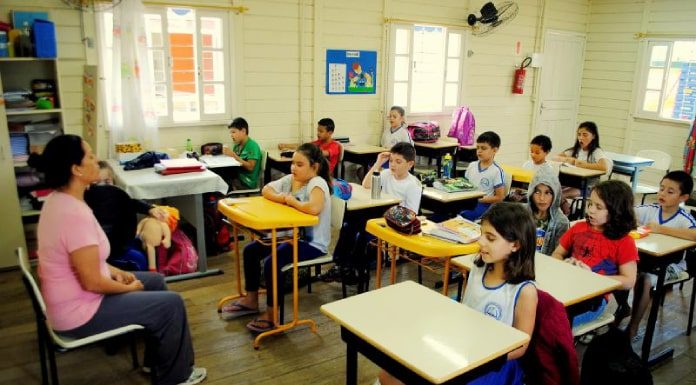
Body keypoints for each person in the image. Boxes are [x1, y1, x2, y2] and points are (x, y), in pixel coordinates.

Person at [34, 134, 206, 385]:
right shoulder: (73, 214)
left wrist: (113, 270)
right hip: (79, 313)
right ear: (76, 169)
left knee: (156, 281)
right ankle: (175, 377)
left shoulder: (57, 201)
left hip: (71, 300)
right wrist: (127, 286)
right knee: (172, 304)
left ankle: (156, 361)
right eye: (91, 156)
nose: (97, 161)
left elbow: (84, 261)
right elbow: (92, 283)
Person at [378, 202, 538, 385]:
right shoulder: (478, 270)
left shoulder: (524, 291)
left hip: (494, 365)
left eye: (491, 238)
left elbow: (521, 346)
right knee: (387, 374)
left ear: (515, 245)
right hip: (463, 350)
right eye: (482, 234)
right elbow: (466, 313)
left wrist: (480, 357)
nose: (481, 242)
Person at [220, 143, 332, 333]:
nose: (293, 168)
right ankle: (251, 299)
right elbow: (266, 190)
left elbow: (314, 208)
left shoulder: (317, 183)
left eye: (299, 164)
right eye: (293, 163)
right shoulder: (291, 180)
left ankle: (272, 315)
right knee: (251, 250)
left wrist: (291, 201)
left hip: (312, 243)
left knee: (274, 262)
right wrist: (283, 198)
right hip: (290, 236)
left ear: (315, 167)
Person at [323, 142, 421, 283]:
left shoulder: (413, 185)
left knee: (364, 232)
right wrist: (378, 163)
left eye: (398, 162)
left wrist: (390, 210)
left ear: (410, 164)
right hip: (379, 214)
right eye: (391, 161)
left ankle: (354, 268)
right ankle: (340, 264)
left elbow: (411, 214)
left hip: (395, 221)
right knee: (349, 224)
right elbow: (366, 185)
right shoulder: (387, 174)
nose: (393, 165)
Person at [551, 180, 638, 327]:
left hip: (593, 300)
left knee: (553, 322)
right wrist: (564, 265)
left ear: (616, 211)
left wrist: (593, 278)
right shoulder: (578, 228)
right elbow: (557, 254)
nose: (591, 210)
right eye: (590, 204)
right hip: (566, 288)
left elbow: (629, 280)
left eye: (599, 207)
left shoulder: (624, 241)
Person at [623, 171, 696, 338]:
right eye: (661, 188)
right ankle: (623, 307)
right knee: (618, 269)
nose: (662, 193)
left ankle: (632, 328)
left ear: (683, 197)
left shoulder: (684, 219)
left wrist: (661, 229)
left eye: (670, 192)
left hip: (673, 266)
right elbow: (626, 212)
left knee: (645, 280)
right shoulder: (650, 209)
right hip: (646, 259)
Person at [84, 161, 169, 269]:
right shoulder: (86, 202)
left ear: (113, 181)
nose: (103, 187)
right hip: (108, 251)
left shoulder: (118, 198)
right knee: (140, 260)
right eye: (96, 184)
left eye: (107, 181)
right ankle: (140, 282)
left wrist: (150, 209)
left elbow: (132, 203)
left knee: (141, 244)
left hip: (121, 243)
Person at [554, 121, 612, 214]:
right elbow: (556, 157)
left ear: (593, 136)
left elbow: (604, 167)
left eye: (585, 135)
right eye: (579, 134)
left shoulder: (596, 151)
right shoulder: (576, 150)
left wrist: (582, 164)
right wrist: (570, 160)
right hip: (572, 183)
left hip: (587, 187)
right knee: (552, 189)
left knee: (559, 194)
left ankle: (566, 212)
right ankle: (565, 208)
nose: (581, 138)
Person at [460, 131, 506, 221]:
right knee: (445, 211)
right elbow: (463, 185)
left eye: (483, 148)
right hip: (467, 201)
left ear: (495, 150)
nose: (479, 151)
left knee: (464, 215)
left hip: (483, 205)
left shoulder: (496, 171)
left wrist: (478, 200)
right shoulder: (472, 165)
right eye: (477, 148)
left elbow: (500, 197)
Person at [527, 165, 569, 255]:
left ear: (555, 195)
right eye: (537, 192)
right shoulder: (521, 213)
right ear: (531, 193)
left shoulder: (561, 223)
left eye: (548, 193)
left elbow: (558, 257)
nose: (542, 198)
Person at [223, 117, 263, 190]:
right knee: (220, 173)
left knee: (223, 180)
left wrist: (234, 156)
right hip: (238, 176)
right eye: (230, 132)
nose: (231, 135)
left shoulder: (252, 146)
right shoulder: (237, 145)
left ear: (243, 131)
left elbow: (250, 167)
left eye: (233, 132)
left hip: (246, 181)